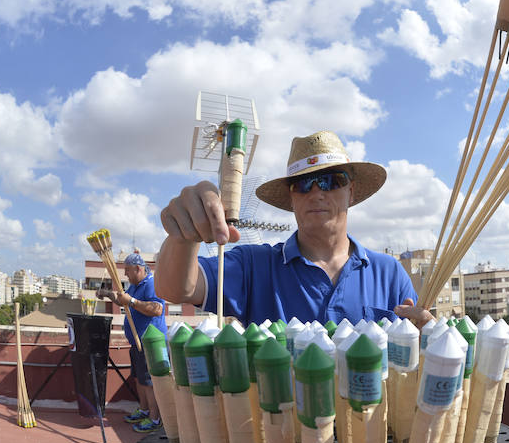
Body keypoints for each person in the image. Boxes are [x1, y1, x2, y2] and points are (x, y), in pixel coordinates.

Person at [156, 130, 433, 328]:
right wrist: (184, 237)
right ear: (291, 198)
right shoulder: (255, 266)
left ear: (351, 192)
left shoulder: (389, 272)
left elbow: (412, 347)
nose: (316, 192)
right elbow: (175, 288)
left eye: (329, 180)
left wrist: (427, 335)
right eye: (302, 184)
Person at [98, 251, 167, 433]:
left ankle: (154, 418)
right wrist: (108, 294)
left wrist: (133, 301)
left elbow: (157, 309)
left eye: (128, 271)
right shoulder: (136, 285)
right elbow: (124, 300)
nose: (126, 275)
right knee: (139, 378)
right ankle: (144, 410)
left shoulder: (151, 284)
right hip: (137, 342)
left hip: (150, 344)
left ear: (138, 269)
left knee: (149, 381)